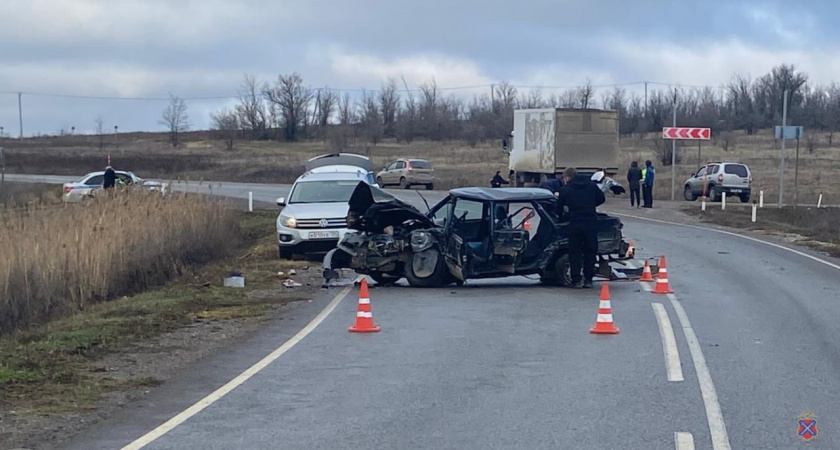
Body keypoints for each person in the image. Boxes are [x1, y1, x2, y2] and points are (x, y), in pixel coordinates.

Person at [557, 167, 606, 289]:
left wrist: (564, 214)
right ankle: (588, 279)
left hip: (575, 224)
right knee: (590, 252)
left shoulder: (566, 190)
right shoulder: (592, 186)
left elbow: (558, 210)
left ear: (567, 177)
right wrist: (590, 205)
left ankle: (576, 279)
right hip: (590, 223)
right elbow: (601, 198)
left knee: (575, 253)